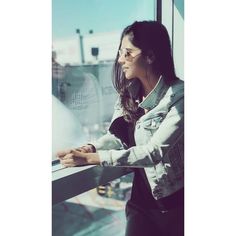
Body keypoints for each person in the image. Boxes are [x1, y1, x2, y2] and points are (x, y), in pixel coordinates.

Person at [57, 21, 184, 236]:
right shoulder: (128, 96)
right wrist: (89, 148)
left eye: (128, 53)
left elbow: (154, 152)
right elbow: (116, 136)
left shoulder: (180, 98)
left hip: (176, 207)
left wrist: (91, 159)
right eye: (120, 53)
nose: (120, 60)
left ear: (150, 56)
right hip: (141, 205)